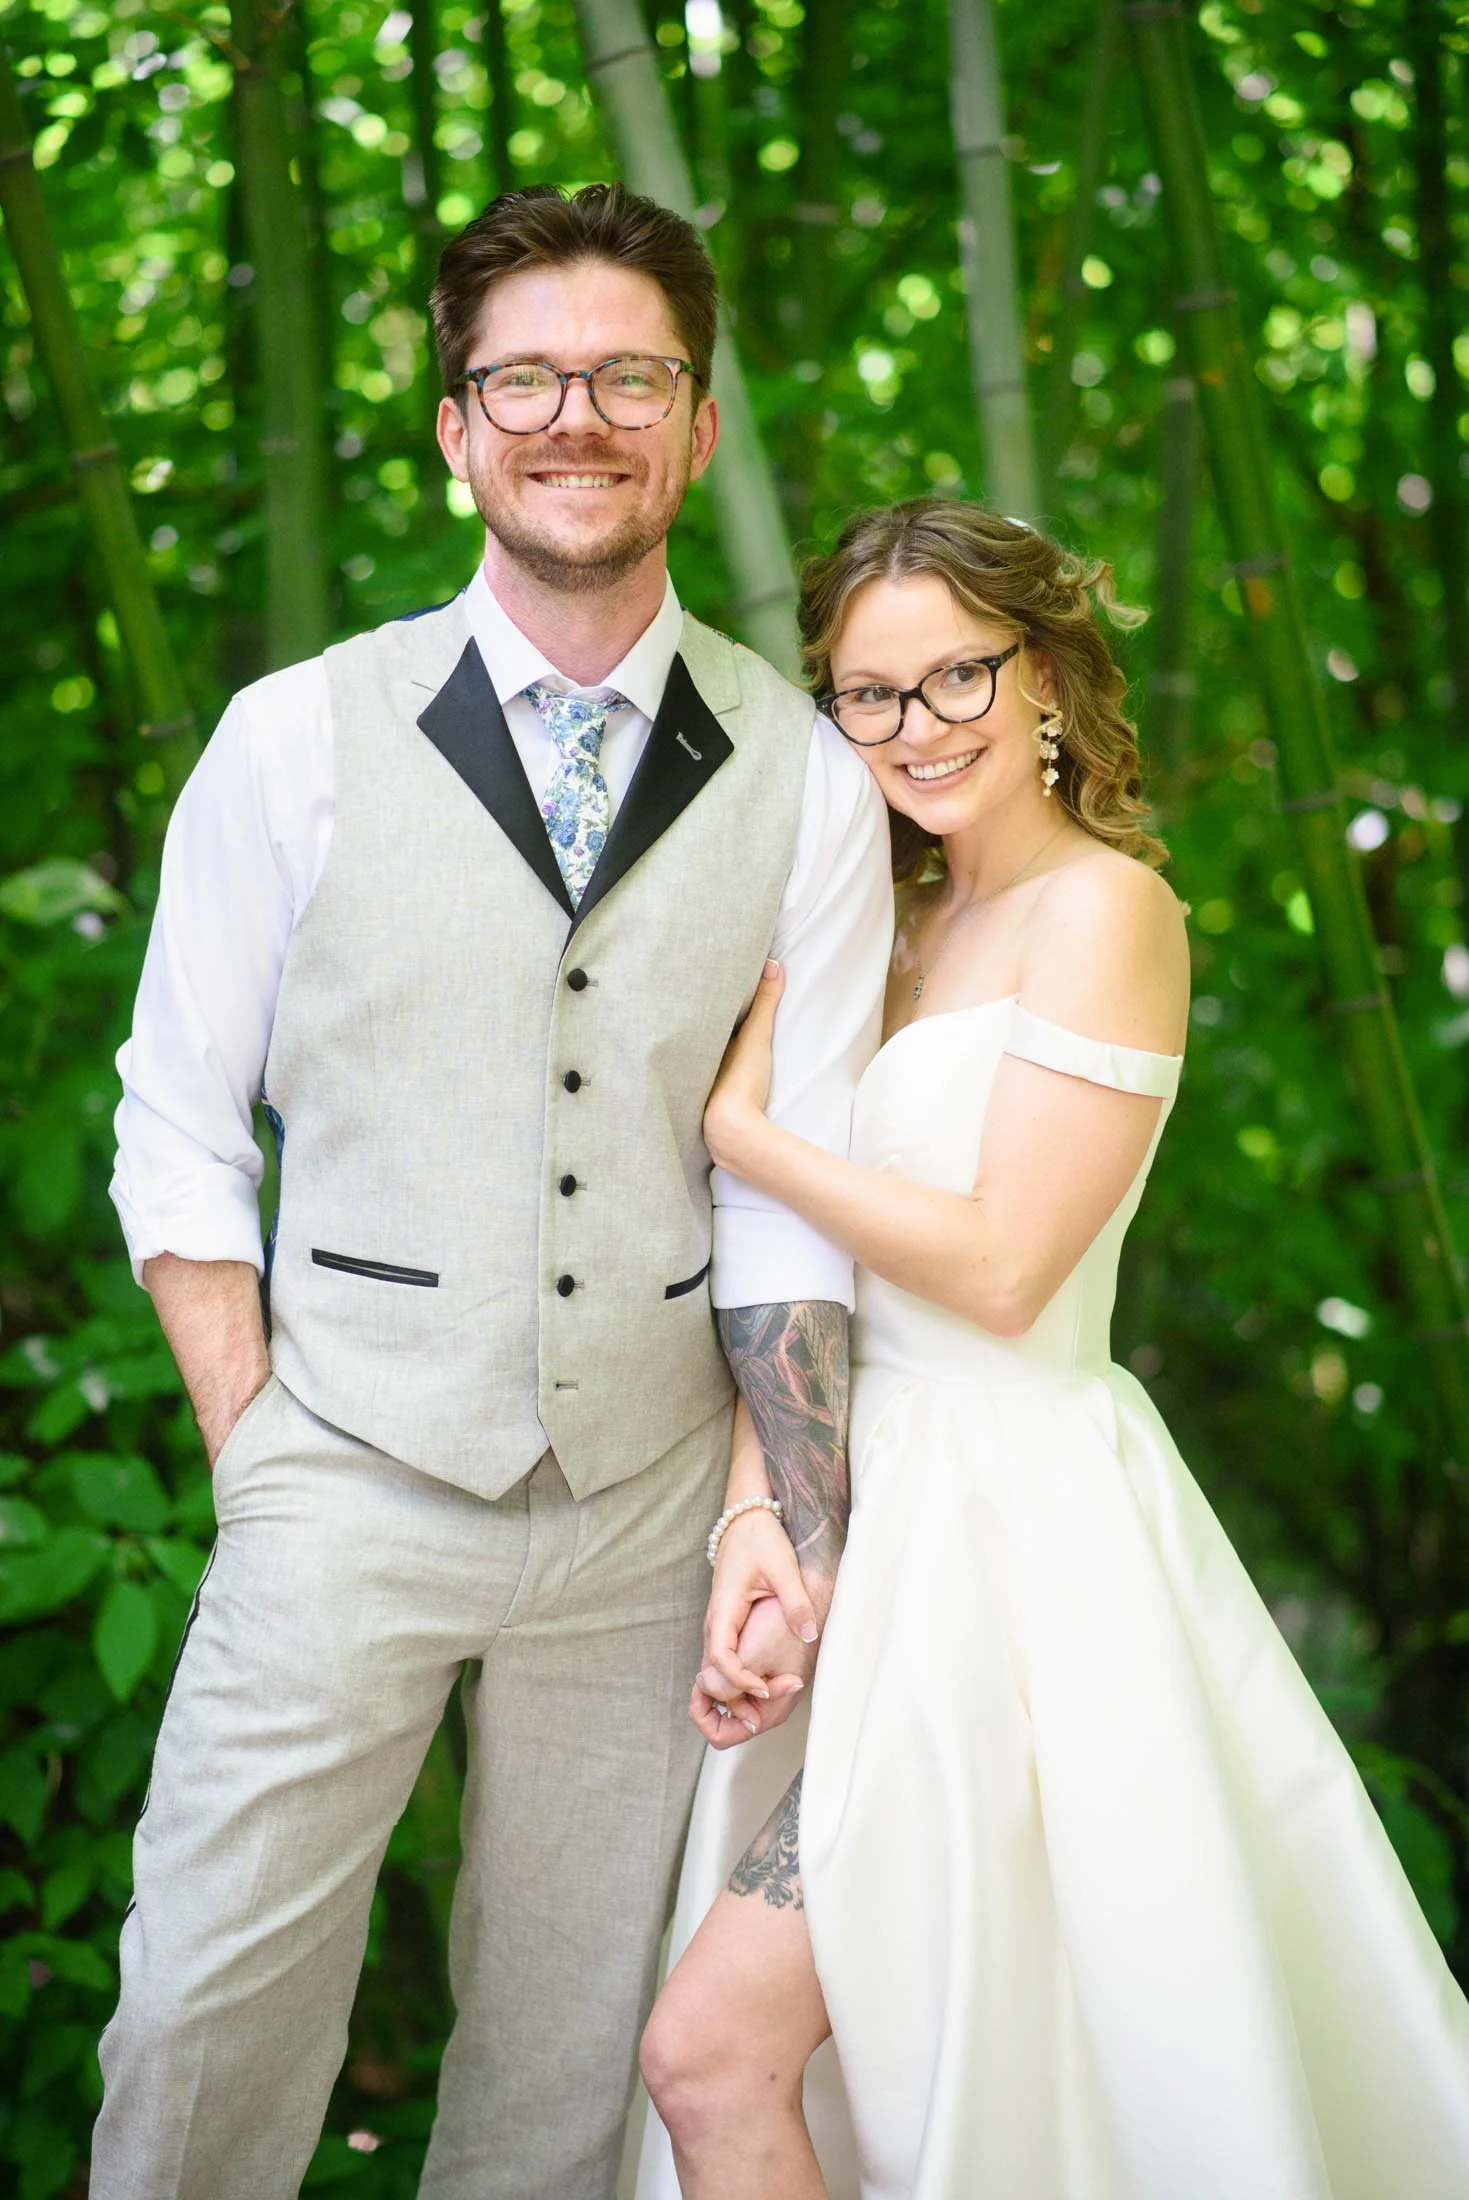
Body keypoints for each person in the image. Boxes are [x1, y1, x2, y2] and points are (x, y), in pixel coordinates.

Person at [91, 183, 892, 2200]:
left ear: (695, 424)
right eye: (523, 374)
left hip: (641, 1498)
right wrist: (250, 1443)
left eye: (629, 373)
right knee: (203, 2012)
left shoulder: (802, 770)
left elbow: (797, 1189)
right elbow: (175, 1114)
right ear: (454, 425)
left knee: (559, 2064)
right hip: (341, 1463)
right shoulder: (296, 738)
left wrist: (776, 1516)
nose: (576, 415)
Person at [635, 498, 1469, 2200]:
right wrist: (762, 1529)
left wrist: (752, 1134)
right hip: (863, 1520)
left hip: (1016, 1543)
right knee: (794, 2063)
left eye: (954, 677)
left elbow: (1009, 1267)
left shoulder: (1112, 913)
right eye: (867, 696)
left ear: (1044, 680)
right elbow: (808, 1288)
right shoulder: (875, 927)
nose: (914, 728)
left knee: (717, 2050)